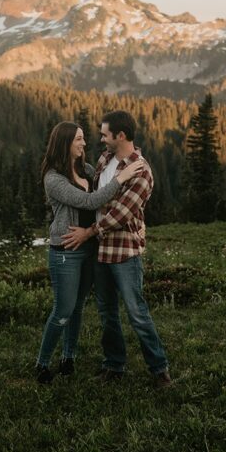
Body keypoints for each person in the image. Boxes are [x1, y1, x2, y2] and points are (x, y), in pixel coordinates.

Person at [62, 110, 172, 388]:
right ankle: (114, 365)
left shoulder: (142, 171)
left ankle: (159, 370)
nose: (100, 139)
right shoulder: (105, 159)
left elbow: (121, 214)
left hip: (124, 253)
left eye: (104, 134)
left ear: (120, 136)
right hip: (102, 251)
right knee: (106, 311)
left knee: (136, 311)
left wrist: (89, 231)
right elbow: (96, 195)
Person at [36, 121, 143, 385]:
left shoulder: (85, 169)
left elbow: (102, 192)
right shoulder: (53, 178)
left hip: (89, 248)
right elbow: (89, 201)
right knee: (63, 310)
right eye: (79, 140)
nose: (85, 144)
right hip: (66, 251)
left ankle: (68, 358)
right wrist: (122, 177)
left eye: (84, 139)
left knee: (78, 309)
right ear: (65, 143)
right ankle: (42, 363)